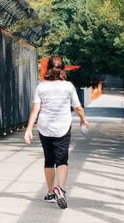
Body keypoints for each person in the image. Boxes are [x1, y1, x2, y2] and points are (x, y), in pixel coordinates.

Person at [24, 54, 89, 209]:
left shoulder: (41, 86)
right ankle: (60, 188)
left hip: (45, 127)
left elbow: (36, 108)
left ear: (48, 68)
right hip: (63, 127)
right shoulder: (68, 86)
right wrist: (83, 119)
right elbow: (78, 107)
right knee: (62, 160)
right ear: (63, 68)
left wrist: (29, 128)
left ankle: (50, 192)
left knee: (48, 160)